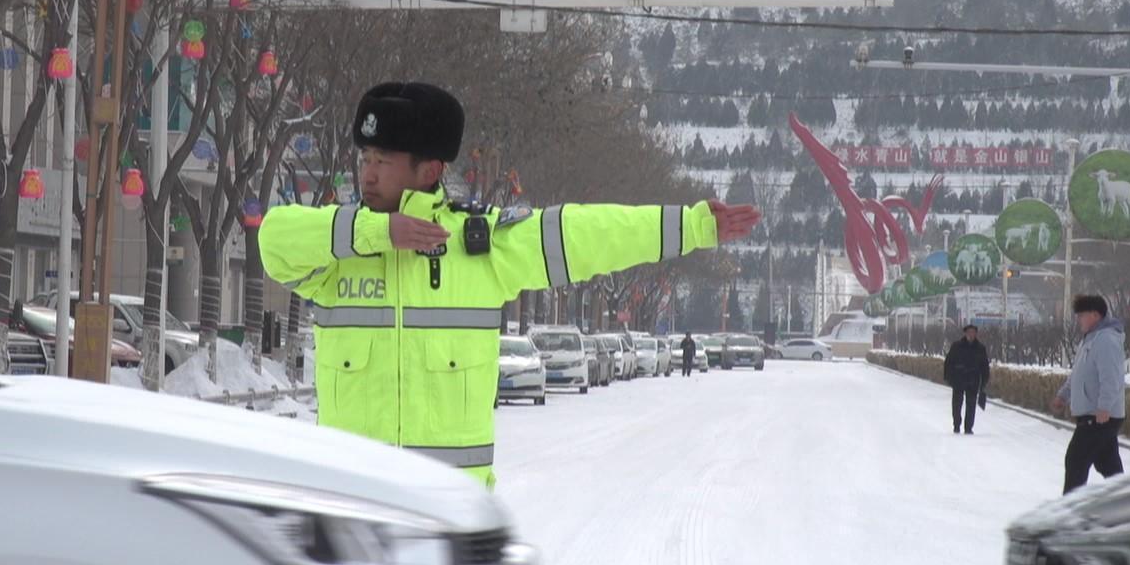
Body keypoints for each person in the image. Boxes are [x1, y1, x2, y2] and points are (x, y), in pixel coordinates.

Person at [260, 81, 761, 485]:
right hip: (350, 509)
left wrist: (691, 226)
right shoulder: (338, 250)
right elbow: (276, 238)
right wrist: (377, 231)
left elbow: (584, 234)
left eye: (382, 162)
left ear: (430, 169)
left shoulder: (480, 248)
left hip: (448, 518)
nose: (367, 175)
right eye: (365, 160)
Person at [1052, 295, 1127, 494]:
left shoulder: (1106, 340)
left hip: (1099, 416)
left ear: (1095, 315)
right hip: (1094, 414)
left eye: (1082, 315)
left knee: (1076, 460)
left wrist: (1104, 407)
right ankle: (1129, 503)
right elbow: (1079, 374)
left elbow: (1112, 377)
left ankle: (1070, 510)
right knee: (1108, 465)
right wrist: (1063, 395)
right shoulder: (1090, 340)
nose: (1079, 320)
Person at [943, 324, 990, 435]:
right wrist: (949, 377)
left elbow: (984, 366)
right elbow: (948, 362)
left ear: (976, 334)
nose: (971, 334)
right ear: (965, 333)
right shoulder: (957, 346)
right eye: (969, 332)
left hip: (973, 379)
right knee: (956, 404)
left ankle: (968, 427)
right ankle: (956, 425)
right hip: (958, 379)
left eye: (973, 332)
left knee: (971, 404)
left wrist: (983, 382)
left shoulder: (980, 348)